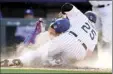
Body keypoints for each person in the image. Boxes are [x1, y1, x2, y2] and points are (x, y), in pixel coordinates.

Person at [1, 3, 98, 67]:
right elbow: (88, 54)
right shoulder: (95, 33)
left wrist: (65, 12)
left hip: (69, 39)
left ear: (86, 16)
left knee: (41, 52)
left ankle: (19, 60)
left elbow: (67, 6)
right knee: (61, 61)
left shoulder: (82, 17)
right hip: (80, 52)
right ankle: (55, 61)